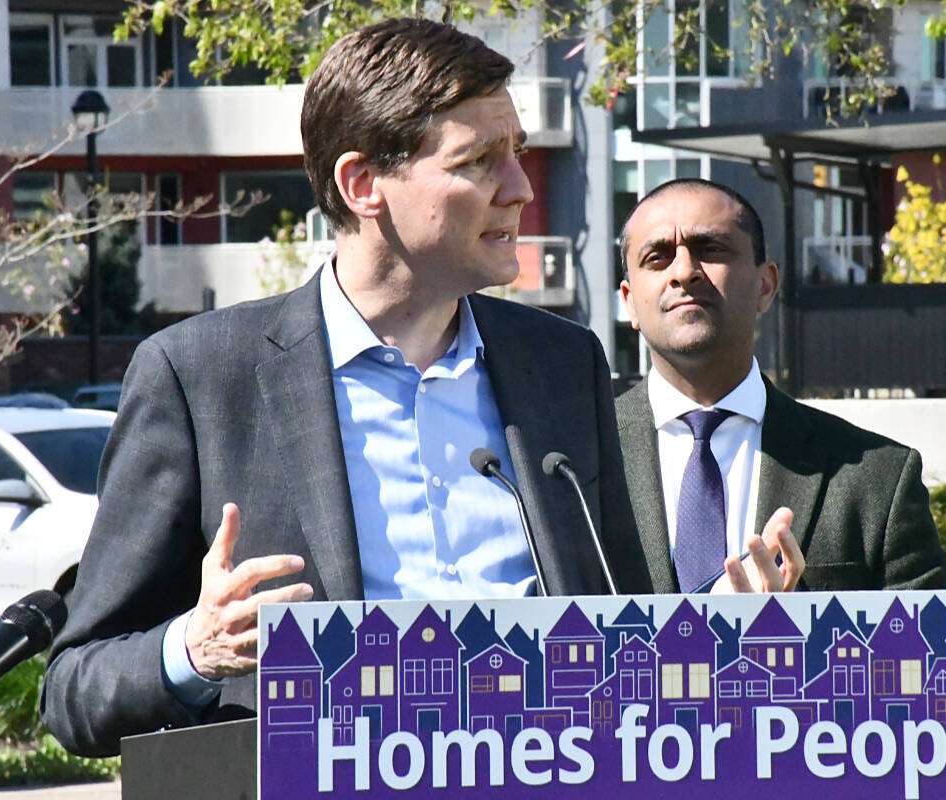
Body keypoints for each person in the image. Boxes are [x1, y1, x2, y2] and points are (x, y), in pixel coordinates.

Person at [41, 18, 651, 757]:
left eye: (517, 152)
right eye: (481, 160)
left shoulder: (564, 364)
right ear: (364, 185)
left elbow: (629, 625)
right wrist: (195, 651)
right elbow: (74, 689)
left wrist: (726, 624)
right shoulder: (200, 376)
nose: (520, 188)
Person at [615, 178, 946, 594]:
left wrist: (796, 633)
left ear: (765, 286)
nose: (684, 271)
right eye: (657, 257)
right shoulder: (571, 465)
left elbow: (925, 653)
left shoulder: (875, 478)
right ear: (629, 300)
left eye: (711, 250)